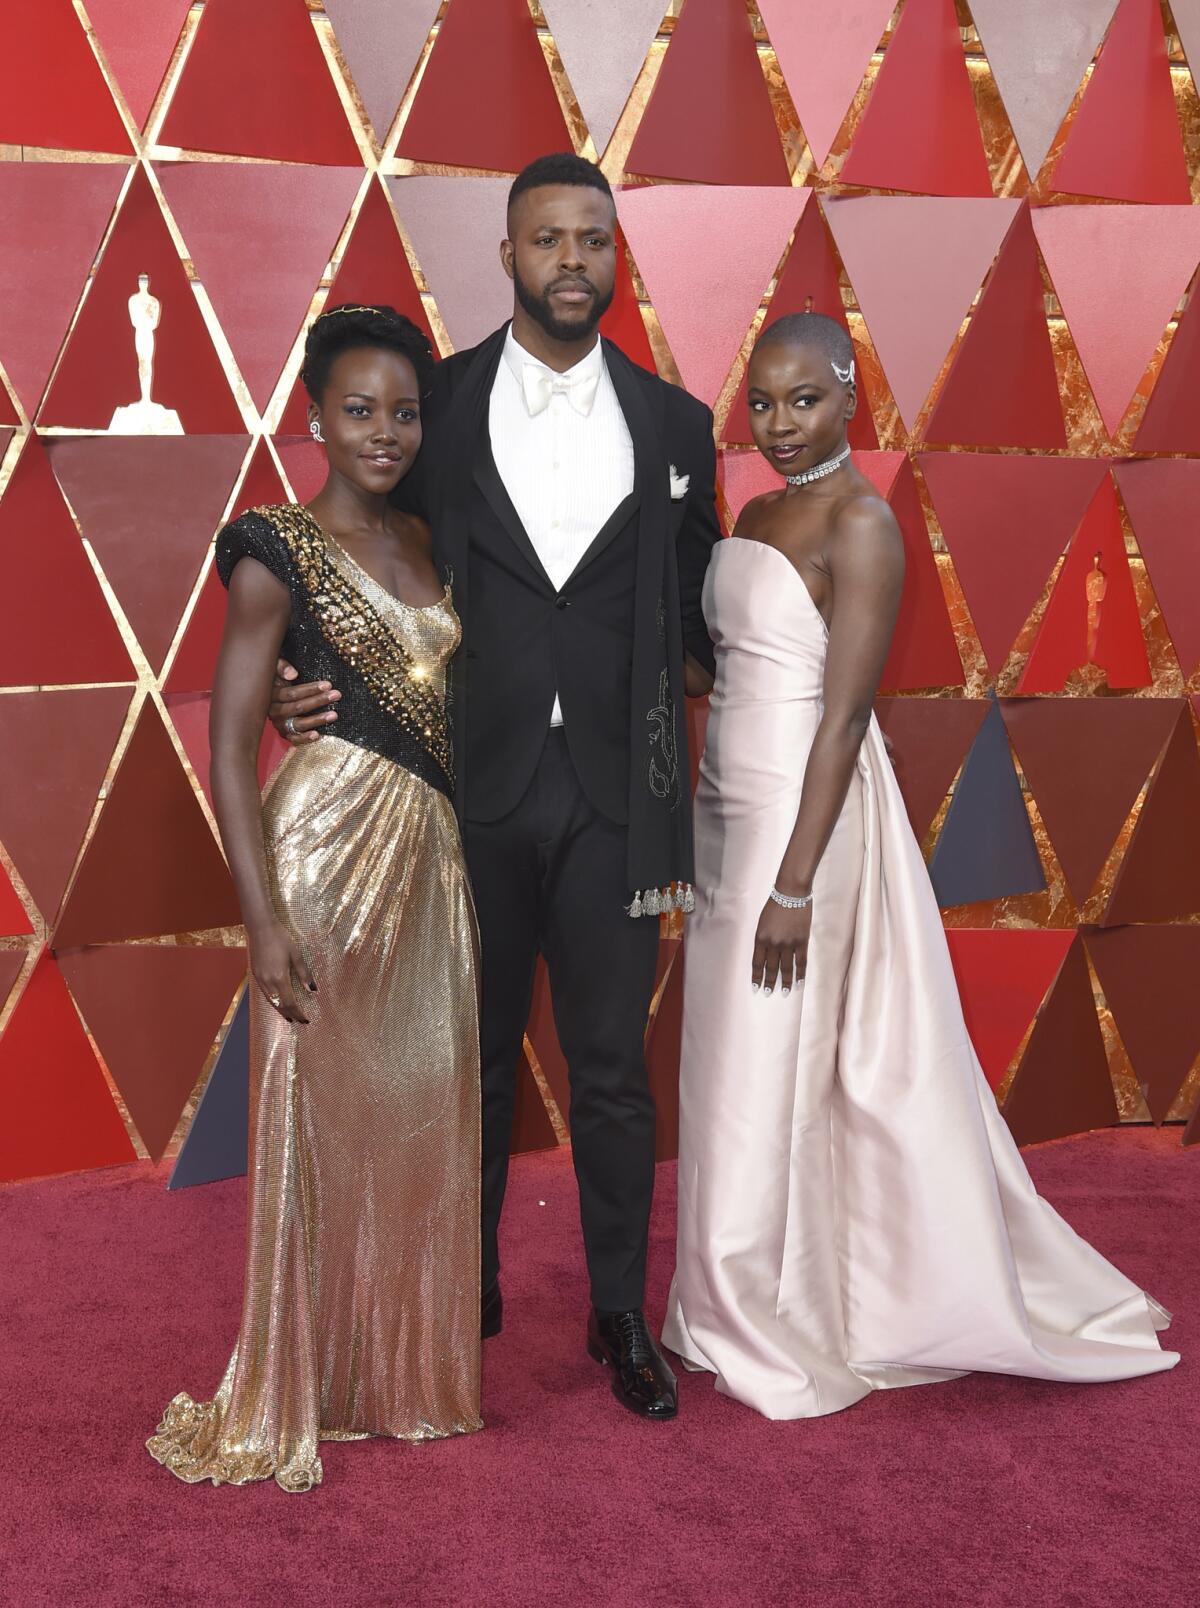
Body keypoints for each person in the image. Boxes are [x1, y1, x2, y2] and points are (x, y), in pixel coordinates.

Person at [269, 154, 721, 1420]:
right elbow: (351, 541)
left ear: (614, 257)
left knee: (610, 1068)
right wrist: (292, 674)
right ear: (509, 256)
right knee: (460, 1064)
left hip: (616, 803)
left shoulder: (679, 428)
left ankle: (621, 1313)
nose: (572, 259)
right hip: (462, 788)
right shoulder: (440, 404)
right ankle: (455, 1301)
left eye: (593, 239)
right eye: (548, 239)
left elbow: (695, 601)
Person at [664, 311, 1179, 1418]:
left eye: (804, 399)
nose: (781, 423)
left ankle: (773, 1316)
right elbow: (725, 665)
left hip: (806, 826)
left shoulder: (862, 527)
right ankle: (719, 1301)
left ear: (851, 393)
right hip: (725, 814)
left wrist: (794, 884)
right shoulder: (753, 510)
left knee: (777, 1071)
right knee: (724, 1069)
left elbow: (844, 721)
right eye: (762, 403)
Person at [147, 305, 482, 1491]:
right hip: (323, 863)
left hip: (429, 868)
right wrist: (263, 923)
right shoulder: (270, 551)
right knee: (314, 1140)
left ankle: (397, 1381)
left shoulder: (437, 544)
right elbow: (231, 745)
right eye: (359, 410)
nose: (384, 432)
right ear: (314, 419)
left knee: (417, 1128)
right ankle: (296, 1383)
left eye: (403, 412)